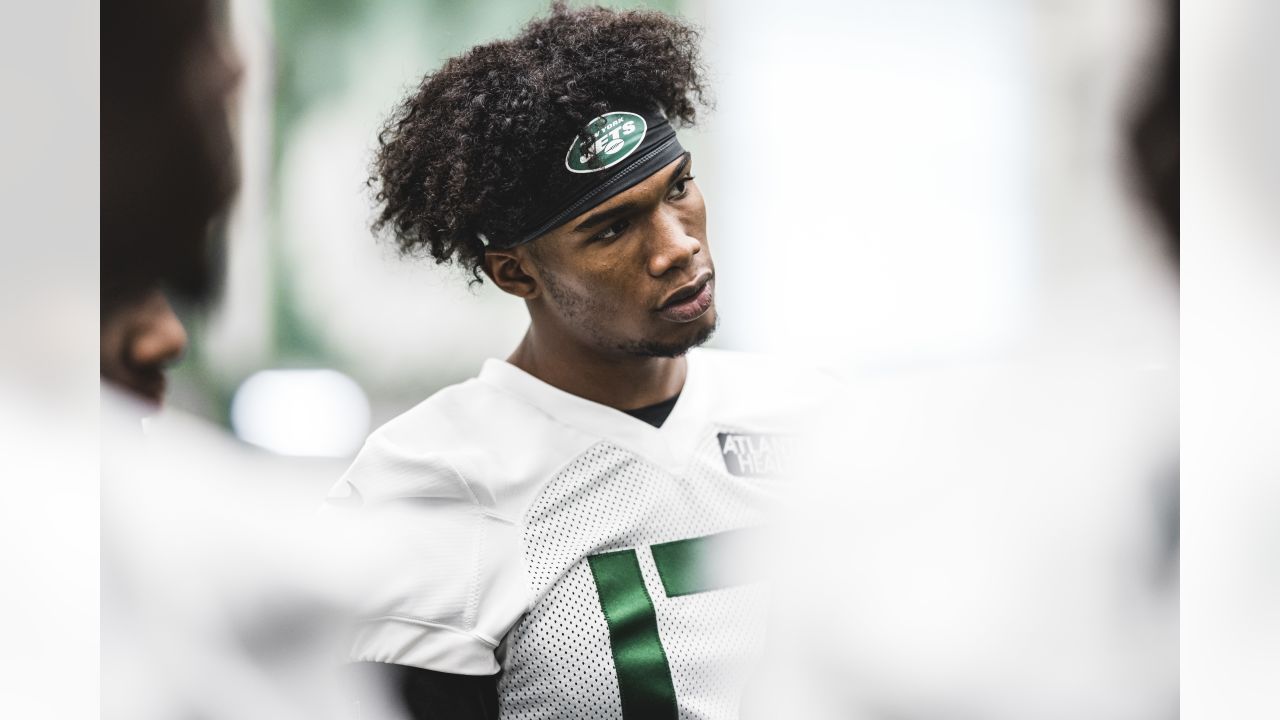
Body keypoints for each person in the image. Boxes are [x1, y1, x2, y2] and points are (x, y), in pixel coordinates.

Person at [328, 4, 827, 718]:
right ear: (514, 273)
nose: (677, 245)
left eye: (678, 188)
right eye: (613, 228)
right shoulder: (428, 484)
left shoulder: (813, 414)